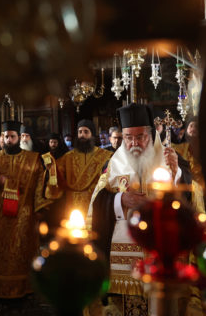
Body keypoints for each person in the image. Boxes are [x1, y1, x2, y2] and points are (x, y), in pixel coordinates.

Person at [87, 104, 192, 316]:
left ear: (150, 134)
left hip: (162, 247)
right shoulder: (113, 164)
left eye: (140, 136)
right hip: (123, 252)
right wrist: (120, 199)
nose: (134, 143)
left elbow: (190, 196)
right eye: (128, 137)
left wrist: (177, 173)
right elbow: (97, 202)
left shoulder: (171, 158)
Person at [0, 121, 52, 298]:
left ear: (18, 137)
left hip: (24, 215)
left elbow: (40, 183)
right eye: (6, 136)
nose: (9, 140)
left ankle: (24, 285)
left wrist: (40, 208)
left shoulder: (33, 159)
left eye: (12, 136)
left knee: (22, 249)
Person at [45, 120, 112, 220]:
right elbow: (58, 176)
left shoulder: (104, 156)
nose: (82, 135)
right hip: (73, 205)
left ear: (92, 134)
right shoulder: (68, 157)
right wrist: (51, 167)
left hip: (95, 203)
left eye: (86, 132)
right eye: (80, 132)